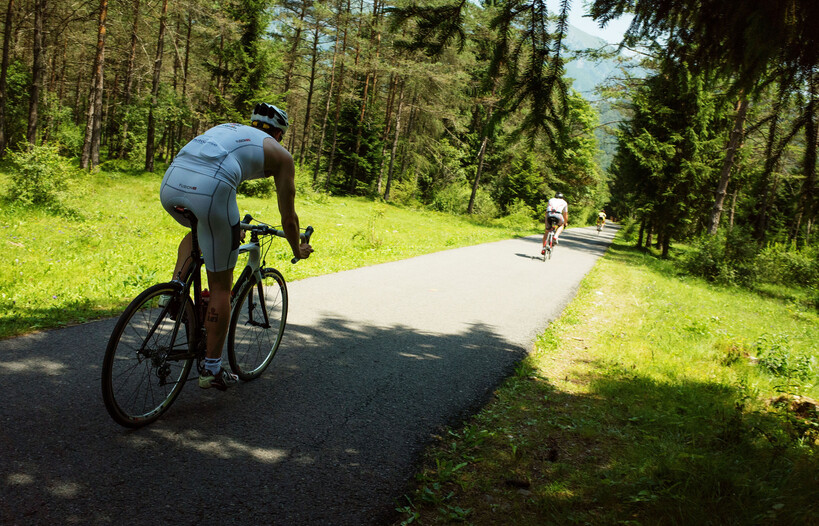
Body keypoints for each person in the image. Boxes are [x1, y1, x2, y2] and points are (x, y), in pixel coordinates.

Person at [159, 103, 313, 390]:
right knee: (221, 287)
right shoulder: (281, 155)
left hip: (171, 182)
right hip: (211, 189)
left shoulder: (229, 130)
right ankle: (212, 369)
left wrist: (230, 225)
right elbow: (288, 218)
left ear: (253, 124)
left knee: (199, 228)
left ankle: (175, 289)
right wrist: (297, 250)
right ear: (279, 134)